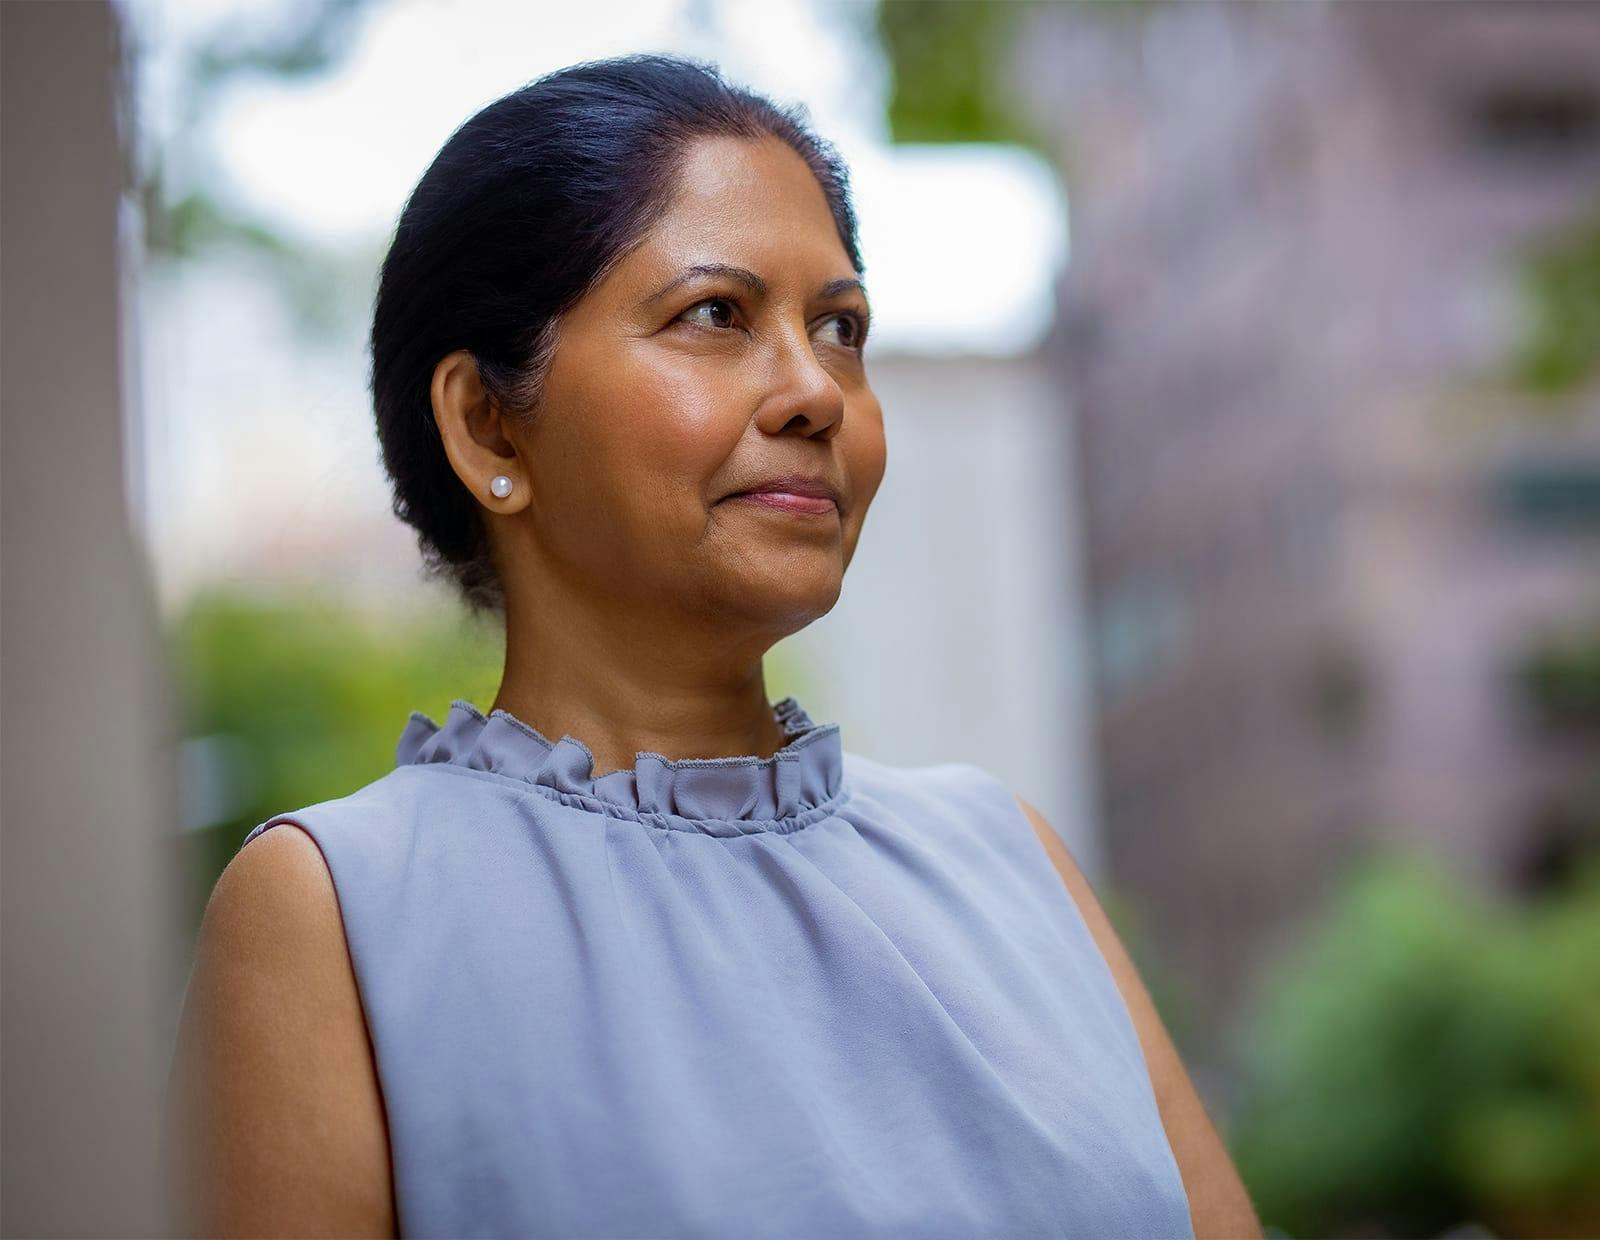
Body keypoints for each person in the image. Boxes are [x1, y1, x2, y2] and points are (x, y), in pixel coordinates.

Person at [162, 53, 1261, 1240]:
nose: (815, 392)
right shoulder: (338, 909)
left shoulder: (1007, 860)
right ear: (488, 421)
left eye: (839, 327)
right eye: (714, 316)